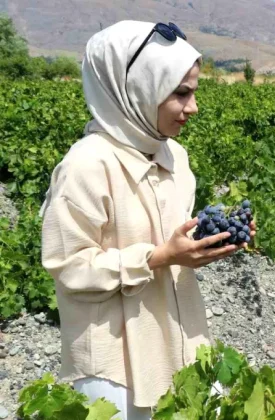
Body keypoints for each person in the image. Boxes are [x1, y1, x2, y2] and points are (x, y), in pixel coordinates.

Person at [39, 21, 255, 419]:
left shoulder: (175, 157)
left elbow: (175, 241)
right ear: (138, 88)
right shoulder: (86, 165)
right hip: (116, 361)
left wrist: (210, 242)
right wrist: (157, 257)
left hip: (181, 337)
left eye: (194, 92)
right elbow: (68, 268)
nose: (193, 107)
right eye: (181, 93)